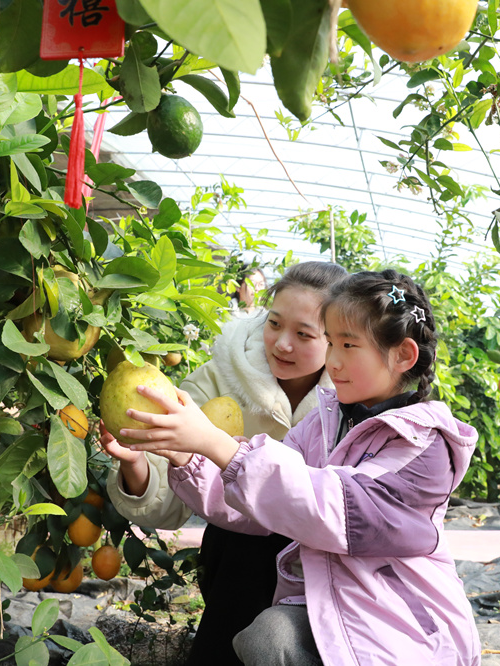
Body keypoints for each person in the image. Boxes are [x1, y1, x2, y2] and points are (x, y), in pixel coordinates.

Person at [115, 269, 482, 666]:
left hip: (401, 619)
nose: (333, 360)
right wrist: (186, 455)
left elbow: (336, 509)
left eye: (347, 344)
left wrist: (216, 444)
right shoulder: (323, 424)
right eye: (330, 342)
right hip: (330, 603)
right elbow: (247, 502)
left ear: (403, 355)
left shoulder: (423, 444)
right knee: (268, 637)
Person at [100, 261, 348, 666]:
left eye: (303, 334)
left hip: (325, 561)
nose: (282, 344)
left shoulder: (351, 394)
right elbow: (171, 498)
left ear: (337, 340)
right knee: (248, 545)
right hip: (238, 554)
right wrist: (135, 465)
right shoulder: (218, 379)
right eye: (274, 324)